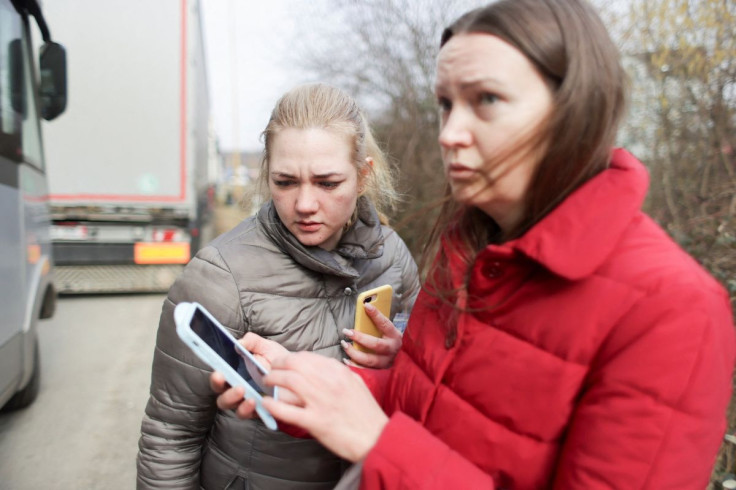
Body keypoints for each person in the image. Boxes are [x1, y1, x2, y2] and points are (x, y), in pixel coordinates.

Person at [212, 0, 736, 488]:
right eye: (445, 104)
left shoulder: (673, 309)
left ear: (574, 109)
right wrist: (306, 388)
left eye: (485, 99)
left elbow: (390, 436)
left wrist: (377, 443)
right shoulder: (466, 253)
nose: (449, 132)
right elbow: (421, 406)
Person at [136, 83, 420, 489]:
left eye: (327, 183)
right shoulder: (220, 276)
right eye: (285, 182)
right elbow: (170, 435)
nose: (304, 204)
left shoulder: (392, 255)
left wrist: (402, 355)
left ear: (362, 176)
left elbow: (433, 385)